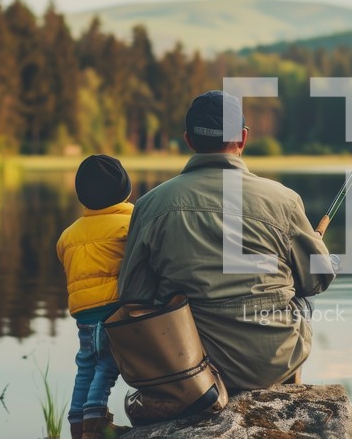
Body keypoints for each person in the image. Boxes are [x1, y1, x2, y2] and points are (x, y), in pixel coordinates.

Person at [117, 90, 335, 390]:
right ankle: (289, 390)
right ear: (243, 138)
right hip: (271, 365)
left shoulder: (150, 205)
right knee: (303, 296)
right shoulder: (283, 199)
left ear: (189, 140)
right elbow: (317, 280)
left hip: (191, 368)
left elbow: (134, 295)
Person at [57, 155, 134, 439]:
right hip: (112, 310)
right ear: (125, 190)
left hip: (83, 314)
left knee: (86, 365)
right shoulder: (129, 223)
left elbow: (65, 261)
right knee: (108, 364)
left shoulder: (68, 234)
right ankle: (94, 422)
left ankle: (77, 426)